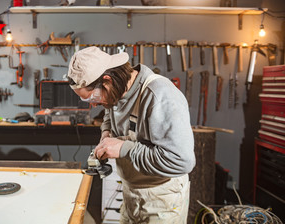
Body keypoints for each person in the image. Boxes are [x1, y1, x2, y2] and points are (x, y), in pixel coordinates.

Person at [67, 46, 196, 223]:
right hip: (131, 192)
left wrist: (124, 148)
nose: (93, 105)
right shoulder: (117, 92)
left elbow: (180, 161)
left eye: (92, 99)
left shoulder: (160, 96)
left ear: (107, 81)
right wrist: (106, 133)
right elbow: (109, 113)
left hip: (162, 200)